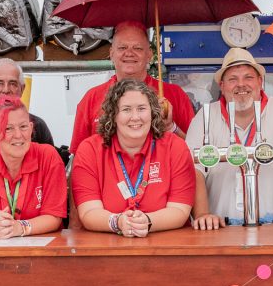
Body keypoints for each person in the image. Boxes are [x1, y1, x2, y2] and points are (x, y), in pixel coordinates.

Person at [187, 48, 273, 229]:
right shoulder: (205, 116)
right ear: (222, 85)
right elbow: (193, 169)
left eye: (248, 77)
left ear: (260, 82)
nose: (241, 84)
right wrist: (202, 215)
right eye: (233, 79)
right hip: (218, 229)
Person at [72, 80, 194, 236]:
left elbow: (180, 210)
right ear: (113, 115)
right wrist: (118, 222)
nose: (135, 117)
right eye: (126, 109)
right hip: (107, 250)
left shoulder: (175, 147)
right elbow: (88, 212)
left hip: (166, 249)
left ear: (152, 112)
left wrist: (147, 221)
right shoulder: (89, 150)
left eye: (142, 109)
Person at [70, 21, 193, 153]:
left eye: (138, 48)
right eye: (122, 48)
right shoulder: (92, 98)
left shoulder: (174, 94)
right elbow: (79, 155)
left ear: (149, 55)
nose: (129, 53)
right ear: (111, 53)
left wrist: (171, 127)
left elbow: (194, 151)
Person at [0, 96, 67, 238]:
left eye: (23, 126)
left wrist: (20, 228)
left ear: (31, 128)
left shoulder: (48, 156)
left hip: (41, 252)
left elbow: (54, 217)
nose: (18, 135)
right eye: (8, 128)